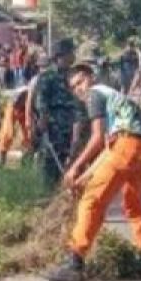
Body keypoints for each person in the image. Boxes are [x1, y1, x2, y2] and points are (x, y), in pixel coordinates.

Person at [46, 62, 141, 281]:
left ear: (91, 77)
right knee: (133, 204)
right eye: (74, 86)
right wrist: (83, 177)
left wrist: (75, 167)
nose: (79, 88)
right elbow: (110, 150)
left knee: (91, 201)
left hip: (127, 146)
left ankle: (75, 261)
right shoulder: (113, 97)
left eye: (81, 81)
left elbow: (98, 139)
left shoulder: (95, 94)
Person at [30, 38, 81, 189]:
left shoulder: (73, 75)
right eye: (71, 52)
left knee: (69, 160)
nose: (73, 56)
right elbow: (41, 101)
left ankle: (63, 191)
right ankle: (47, 194)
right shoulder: (48, 76)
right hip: (54, 128)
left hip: (70, 127)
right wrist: (43, 121)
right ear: (62, 55)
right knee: (50, 162)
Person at [0, 86, 31, 167]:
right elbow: (17, 101)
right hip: (14, 106)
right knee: (8, 132)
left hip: (25, 109)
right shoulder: (27, 92)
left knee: (28, 134)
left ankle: (26, 159)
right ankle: (1, 161)